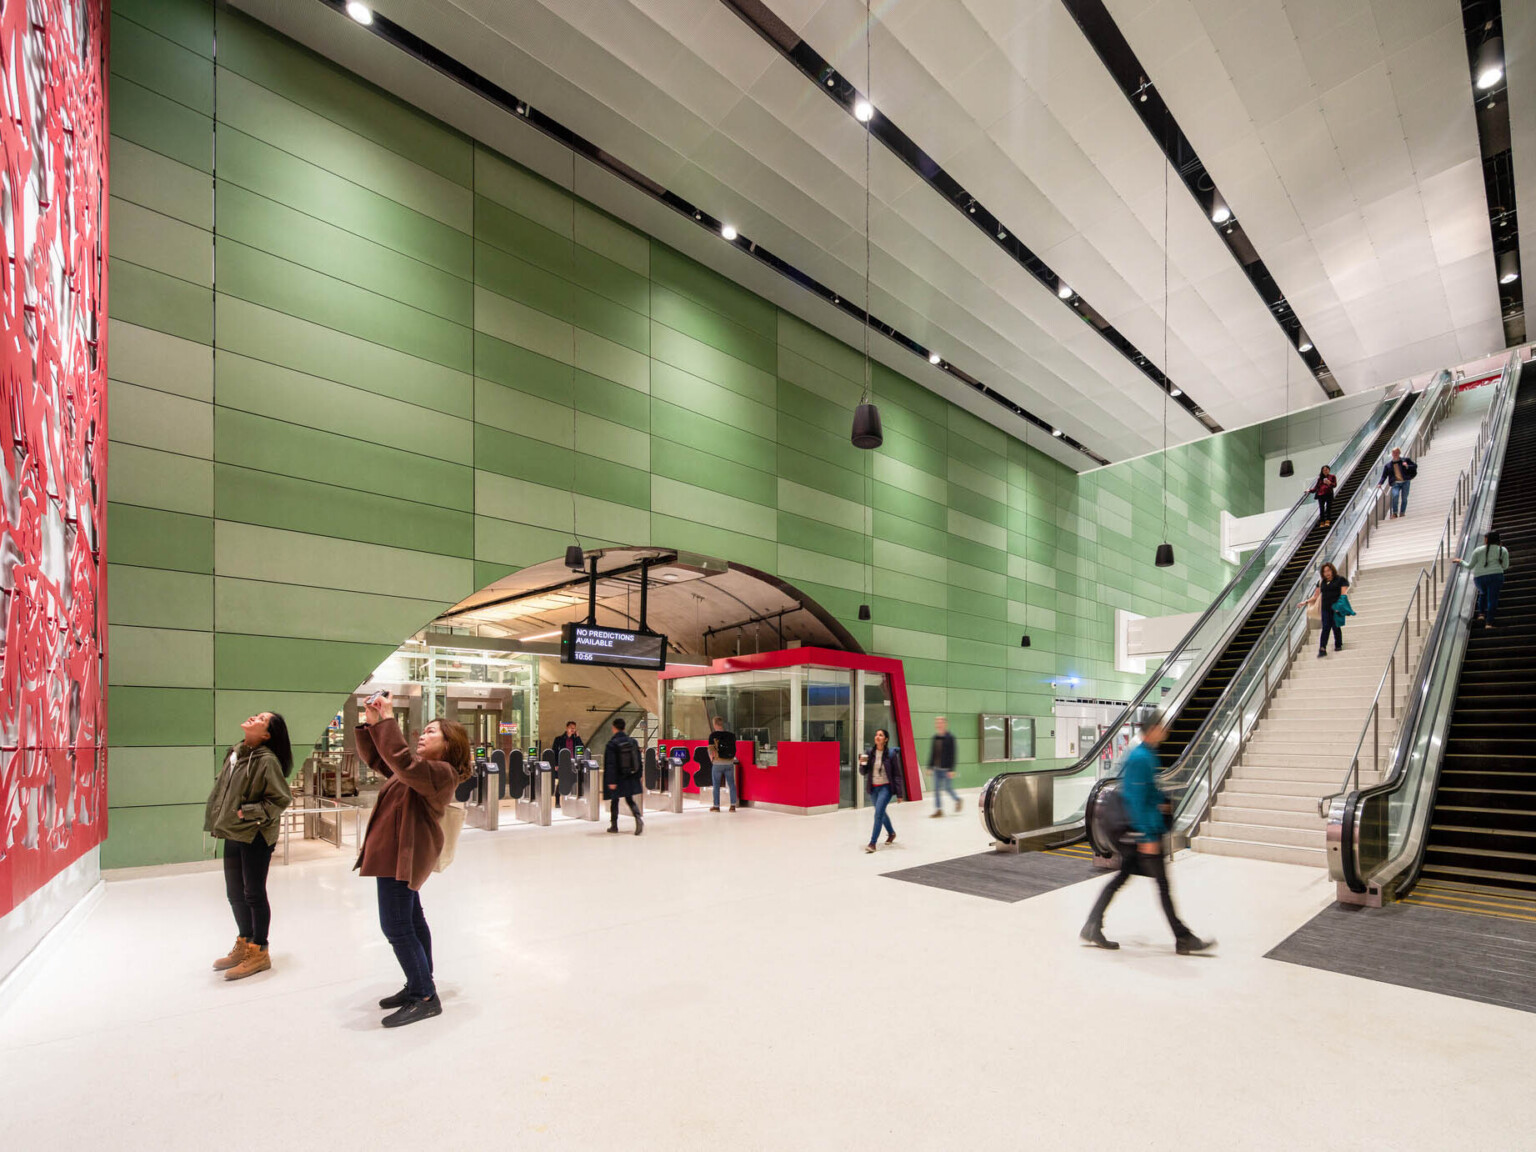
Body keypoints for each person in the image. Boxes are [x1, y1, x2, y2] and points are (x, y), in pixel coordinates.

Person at [354, 693, 472, 1028]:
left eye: (432, 732)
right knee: (412, 920)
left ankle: (425, 996)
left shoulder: (441, 772)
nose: (423, 735)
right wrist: (371, 724)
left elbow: (402, 762)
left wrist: (389, 719)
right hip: (394, 854)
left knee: (396, 926)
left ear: (449, 745)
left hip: (402, 856)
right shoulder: (417, 772)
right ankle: (420, 982)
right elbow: (381, 760)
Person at [1080, 716, 1213, 954]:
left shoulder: (1146, 754)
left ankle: (1093, 925)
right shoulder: (1141, 758)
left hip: (1143, 831)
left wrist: (1161, 803)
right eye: (1161, 727)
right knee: (1160, 885)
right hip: (1143, 834)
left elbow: (1146, 794)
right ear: (1152, 730)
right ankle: (1183, 938)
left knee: (1125, 880)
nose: (1165, 730)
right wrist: (1147, 836)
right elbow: (1136, 800)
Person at [205, 712, 294, 981]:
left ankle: (259, 951)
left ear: (266, 735)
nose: (254, 717)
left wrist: (250, 812)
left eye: (261, 719)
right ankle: (245, 941)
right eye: (256, 715)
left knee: (253, 893)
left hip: (255, 834)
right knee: (235, 893)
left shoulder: (267, 760)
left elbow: (281, 799)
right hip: (233, 830)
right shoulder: (236, 753)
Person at [859, 728, 904, 853]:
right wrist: (862, 764)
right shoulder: (869, 753)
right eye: (876, 735)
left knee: (878, 814)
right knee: (881, 813)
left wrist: (899, 794)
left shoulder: (891, 754)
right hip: (873, 788)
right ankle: (891, 833)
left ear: (886, 739)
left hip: (886, 788)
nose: (877, 737)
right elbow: (863, 772)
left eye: (880, 735)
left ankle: (872, 843)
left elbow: (897, 775)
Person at [1455, 530, 1511, 627]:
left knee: (1483, 593)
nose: (1484, 540)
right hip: (1496, 576)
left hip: (1479, 578)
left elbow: (1469, 566)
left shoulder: (1478, 550)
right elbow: (1505, 566)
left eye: (1485, 538)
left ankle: (1481, 614)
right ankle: (1489, 623)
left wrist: (1460, 561)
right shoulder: (1502, 550)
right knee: (1492, 599)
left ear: (1487, 540)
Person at [1300, 561, 1350, 657]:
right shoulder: (1321, 582)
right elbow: (1316, 596)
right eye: (1324, 571)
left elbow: (1343, 594)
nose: (1327, 573)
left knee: (1336, 626)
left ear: (1332, 570)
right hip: (1325, 608)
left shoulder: (1340, 580)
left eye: (1328, 570)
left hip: (1336, 607)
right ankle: (1322, 648)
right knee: (1326, 627)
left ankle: (1338, 644)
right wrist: (1305, 602)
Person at [604, 717, 644, 834]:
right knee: (629, 799)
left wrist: (611, 781)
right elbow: (638, 760)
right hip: (630, 776)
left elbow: (611, 764)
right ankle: (638, 817)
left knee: (614, 800)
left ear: (614, 728)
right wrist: (639, 775)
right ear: (624, 728)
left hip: (618, 777)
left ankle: (614, 826)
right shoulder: (633, 742)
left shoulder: (612, 744)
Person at [929, 716, 960, 817]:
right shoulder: (935, 738)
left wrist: (951, 769)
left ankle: (957, 800)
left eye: (941, 722)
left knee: (947, 788)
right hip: (936, 769)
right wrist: (930, 766)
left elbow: (953, 754)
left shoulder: (950, 738)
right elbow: (933, 754)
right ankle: (939, 810)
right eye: (937, 722)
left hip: (946, 769)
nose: (939, 724)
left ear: (945, 724)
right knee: (936, 790)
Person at [707, 716, 738, 812]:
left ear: (715, 724)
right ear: (722, 724)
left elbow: (711, 751)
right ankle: (732, 806)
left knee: (716, 785)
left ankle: (716, 806)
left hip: (717, 763)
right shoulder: (731, 735)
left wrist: (712, 760)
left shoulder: (713, 735)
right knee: (731, 784)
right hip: (729, 763)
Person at [1379, 447, 1417, 518]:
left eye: (1397, 452)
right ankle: (1395, 513)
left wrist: (1407, 466)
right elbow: (1384, 476)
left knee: (1404, 497)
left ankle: (1402, 512)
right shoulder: (1388, 465)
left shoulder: (1405, 460)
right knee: (1395, 496)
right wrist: (1380, 483)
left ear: (1399, 453)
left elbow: (1415, 466)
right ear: (1392, 454)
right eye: (1394, 453)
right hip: (1395, 483)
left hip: (1405, 482)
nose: (1395, 454)